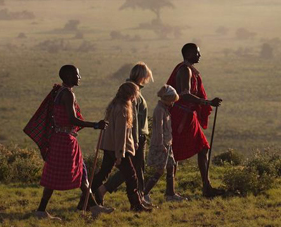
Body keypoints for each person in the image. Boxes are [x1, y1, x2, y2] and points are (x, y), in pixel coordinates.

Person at [31, 65, 111, 220]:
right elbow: (72, 119)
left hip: (62, 139)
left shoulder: (60, 92)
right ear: (68, 76)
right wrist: (95, 125)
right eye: (76, 74)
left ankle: (94, 207)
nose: (79, 77)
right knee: (57, 176)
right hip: (65, 141)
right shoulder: (67, 94)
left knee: (80, 173)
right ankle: (41, 210)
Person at [166, 43, 224, 197]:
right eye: (197, 53)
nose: (199, 55)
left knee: (203, 148)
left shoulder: (188, 69)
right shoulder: (184, 70)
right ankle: (170, 191)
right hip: (181, 116)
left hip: (187, 115)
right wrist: (207, 102)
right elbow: (184, 94)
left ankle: (207, 187)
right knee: (174, 153)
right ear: (189, 53)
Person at [95, 63, 152, 206]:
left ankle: (87, 197)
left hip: (117, 144)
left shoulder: (121, 98)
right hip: (125, 143)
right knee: (133, 174)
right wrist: (124, 150)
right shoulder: (127, 101)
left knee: (106, 172)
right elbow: (126, 128)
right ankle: (137, 203)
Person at [143, 85, 188, 202]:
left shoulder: (164, 109)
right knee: (160, 170)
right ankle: (145, 193)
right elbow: (158, 129)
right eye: (172, 100)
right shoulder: (159, 110)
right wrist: (161, 144)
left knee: (170, 167)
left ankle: (170, 194)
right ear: (167, 99)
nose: (173, 103)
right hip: (161, 144)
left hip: (167, 144)